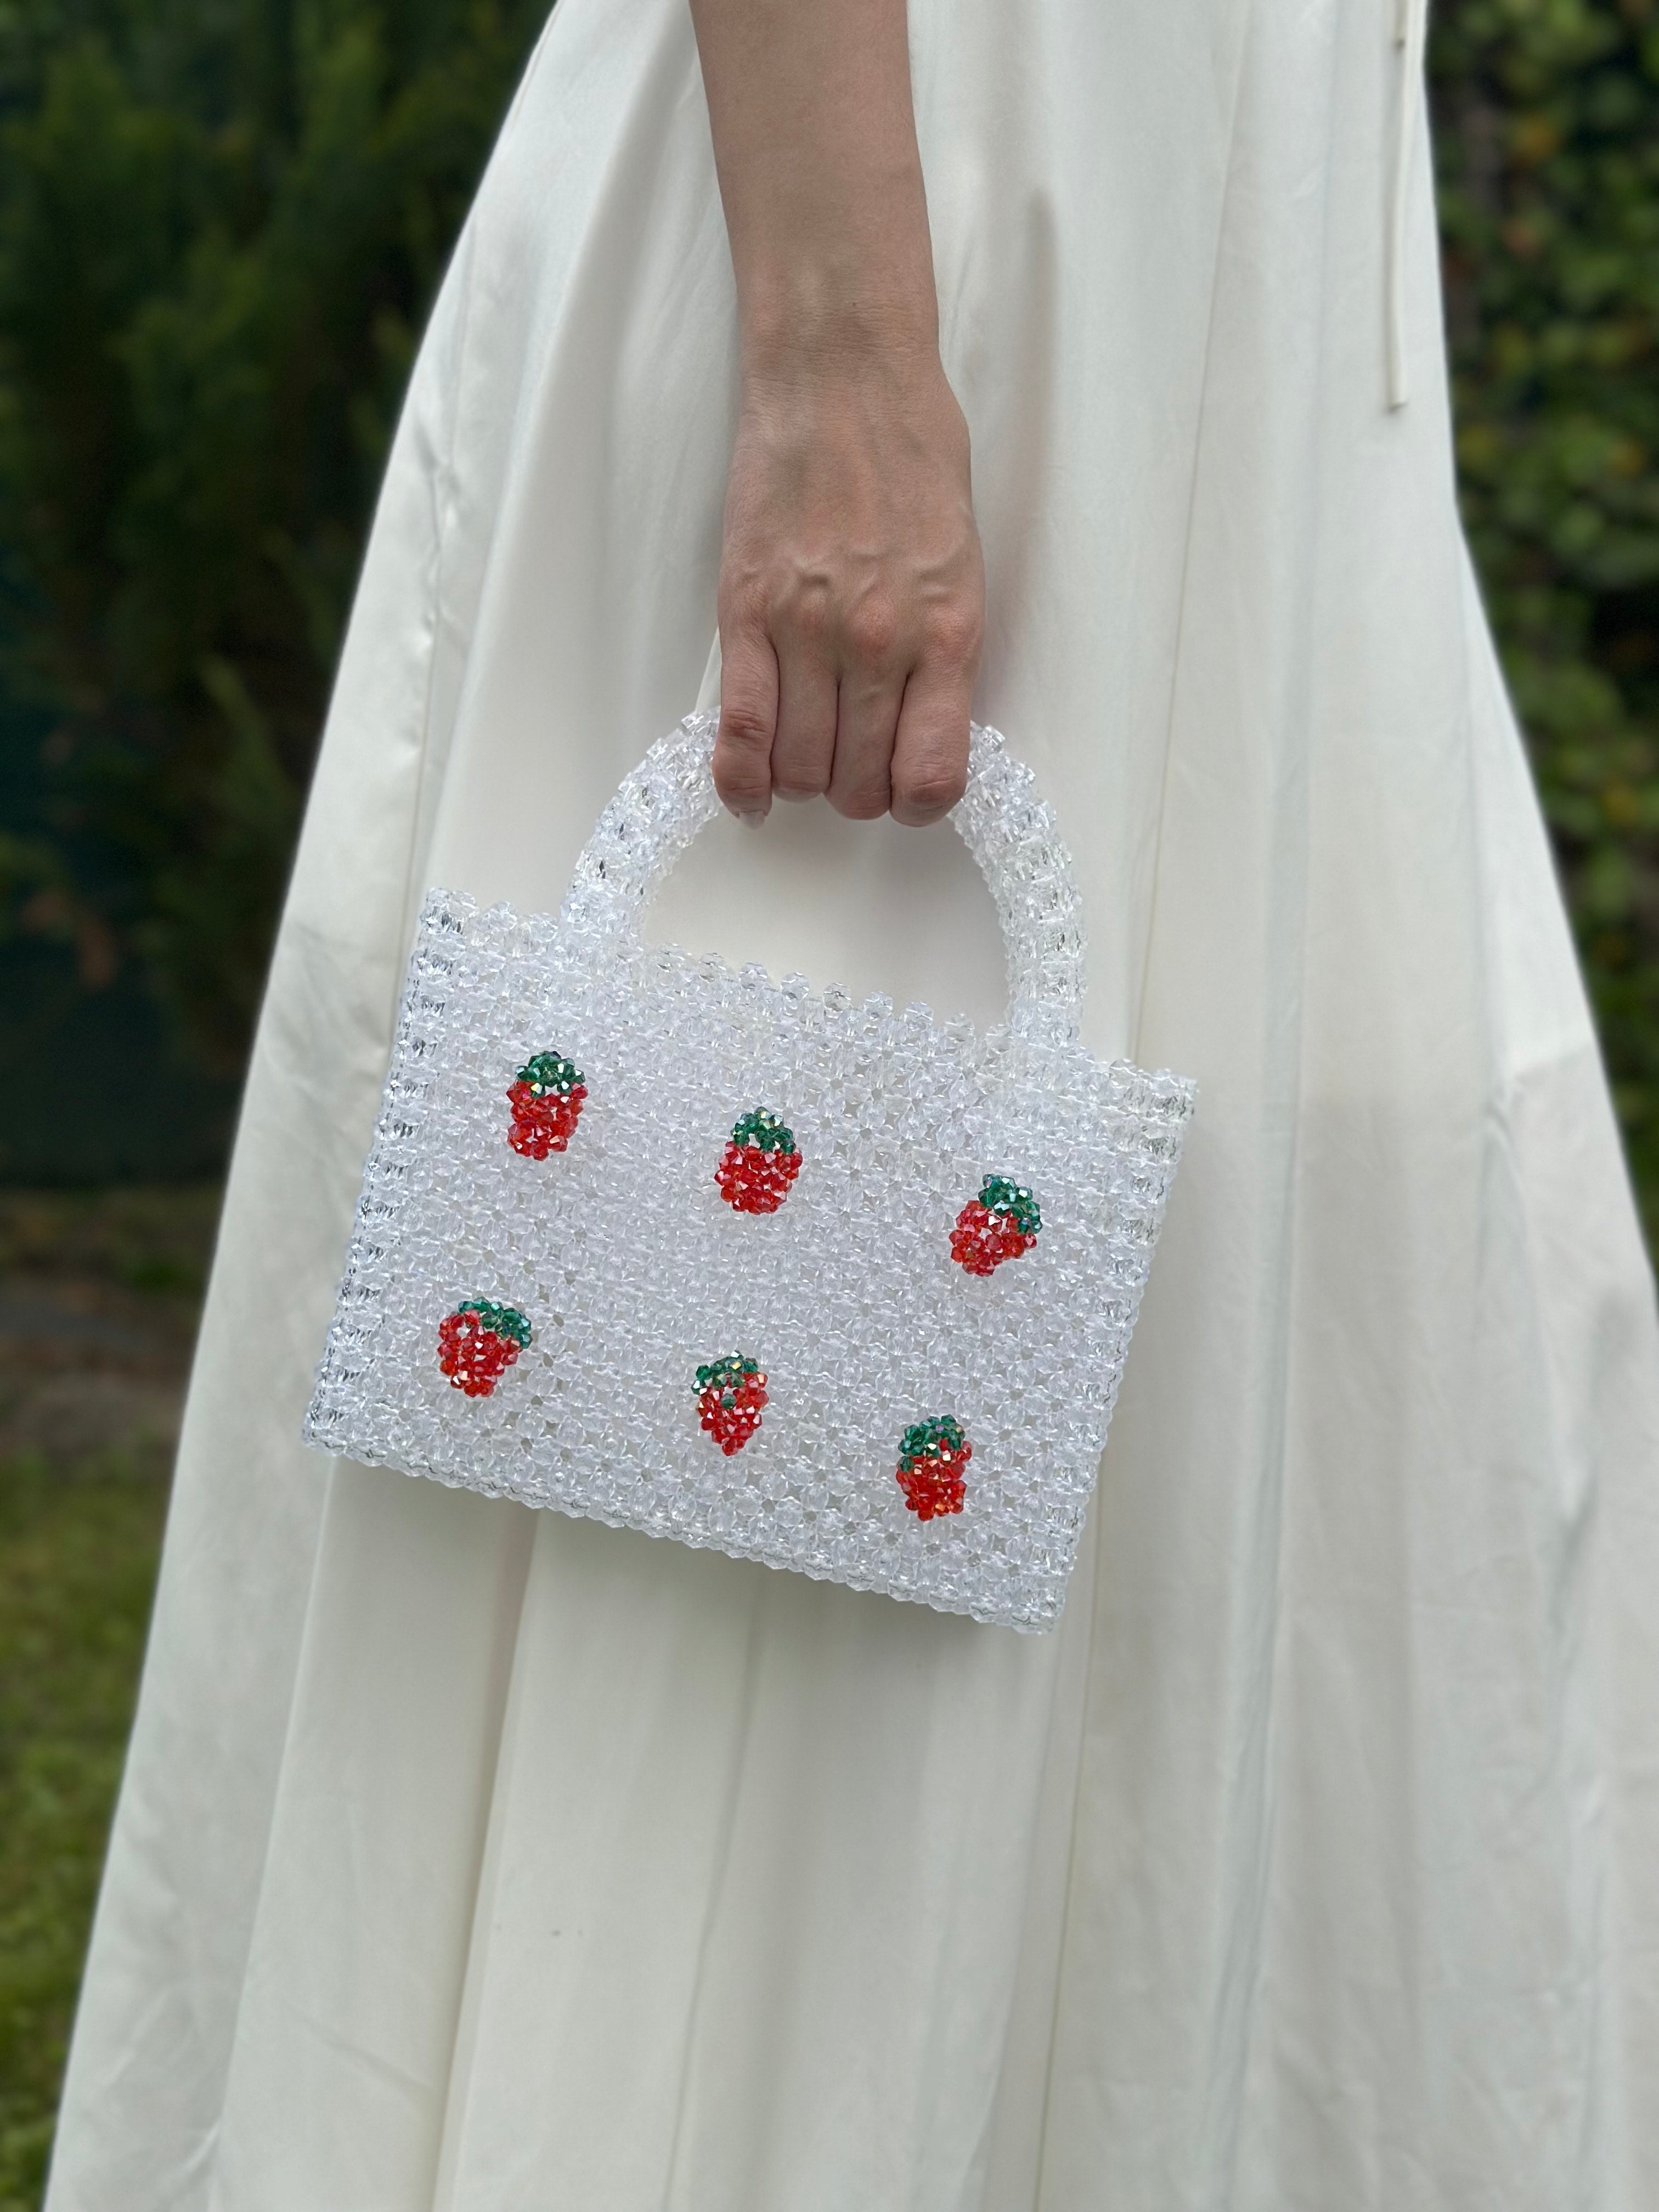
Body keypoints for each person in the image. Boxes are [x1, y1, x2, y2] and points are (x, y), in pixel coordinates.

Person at [45, 0, 1659, 2204]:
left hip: (1246, 294)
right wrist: (840, 350)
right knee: (731, 1493)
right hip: (930, 225)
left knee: (1323, 1349)